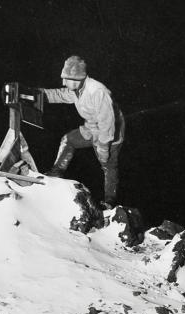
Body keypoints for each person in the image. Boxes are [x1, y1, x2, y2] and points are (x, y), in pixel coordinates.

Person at [41, 56, 125, 209]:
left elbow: (108, 123)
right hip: (92, 127)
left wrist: (103, 148)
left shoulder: (97, 91)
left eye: (66, 79)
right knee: (68, 140)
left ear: (76, 78)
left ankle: (109, 202)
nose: (63, 83)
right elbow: (60, 94)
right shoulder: (77, 89)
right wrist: (39, 94)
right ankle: (56, 172)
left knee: (107, 164)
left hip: (110, 134)